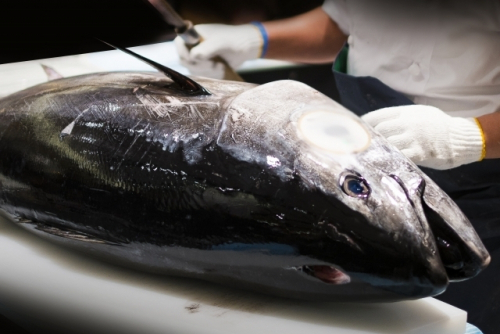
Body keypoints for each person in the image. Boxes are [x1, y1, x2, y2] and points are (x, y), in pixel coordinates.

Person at [175, 0, 500, 332]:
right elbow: (343, 20)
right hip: (365, 160)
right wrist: (255, 39)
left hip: (485, 184)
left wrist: (469, 136)